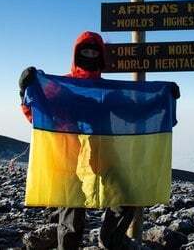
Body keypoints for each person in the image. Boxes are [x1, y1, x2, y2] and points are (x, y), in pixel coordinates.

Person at [19, 31, 180, 250]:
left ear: (101, 57)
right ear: (76, 54)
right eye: (85, 51)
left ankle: (109, 240)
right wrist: (25, 90)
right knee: (71, 217)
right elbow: (38, 113)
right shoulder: (60, 89)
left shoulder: (108, 92)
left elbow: (133, 112)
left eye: (94, 51)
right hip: (67, 161)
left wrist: (163, 98)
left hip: (103, 157)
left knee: (127, 197)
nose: (90, 55)